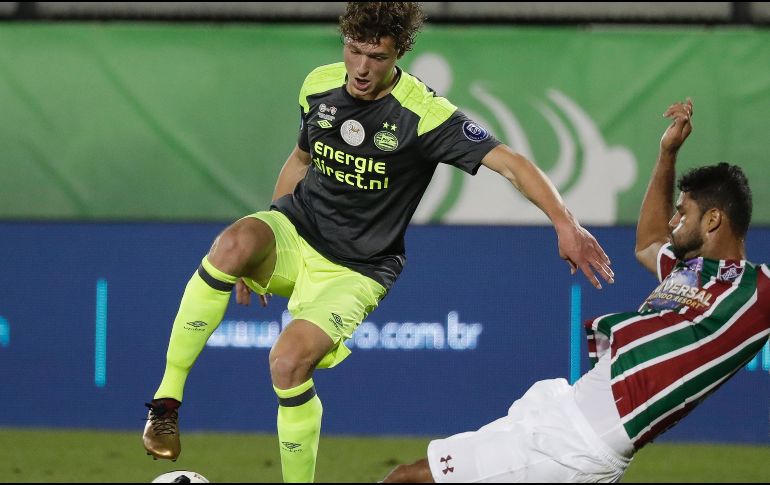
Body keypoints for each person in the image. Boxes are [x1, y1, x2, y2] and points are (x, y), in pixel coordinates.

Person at [142, 3, 614, 482]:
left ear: (398, 54)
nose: (362, 68)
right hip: (297, 229)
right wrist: (263, 246)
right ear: (343, 42)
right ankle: (165, 404)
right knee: (233, 244)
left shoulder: (424, 115)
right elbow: (300, 160)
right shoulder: (319, 84)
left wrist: (565, 222)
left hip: (358, 268)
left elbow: (509, 161)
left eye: (377, 56)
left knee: (287, 363)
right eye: (354, 50)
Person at [381, 98, 770, 483]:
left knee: (408, 478)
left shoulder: (757, 291)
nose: (673, 220)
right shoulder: (689, 270)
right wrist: (667, 153)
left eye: (682, 212)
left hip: (577, 442)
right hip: (570, 415)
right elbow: (648, 243)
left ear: (714, 219)